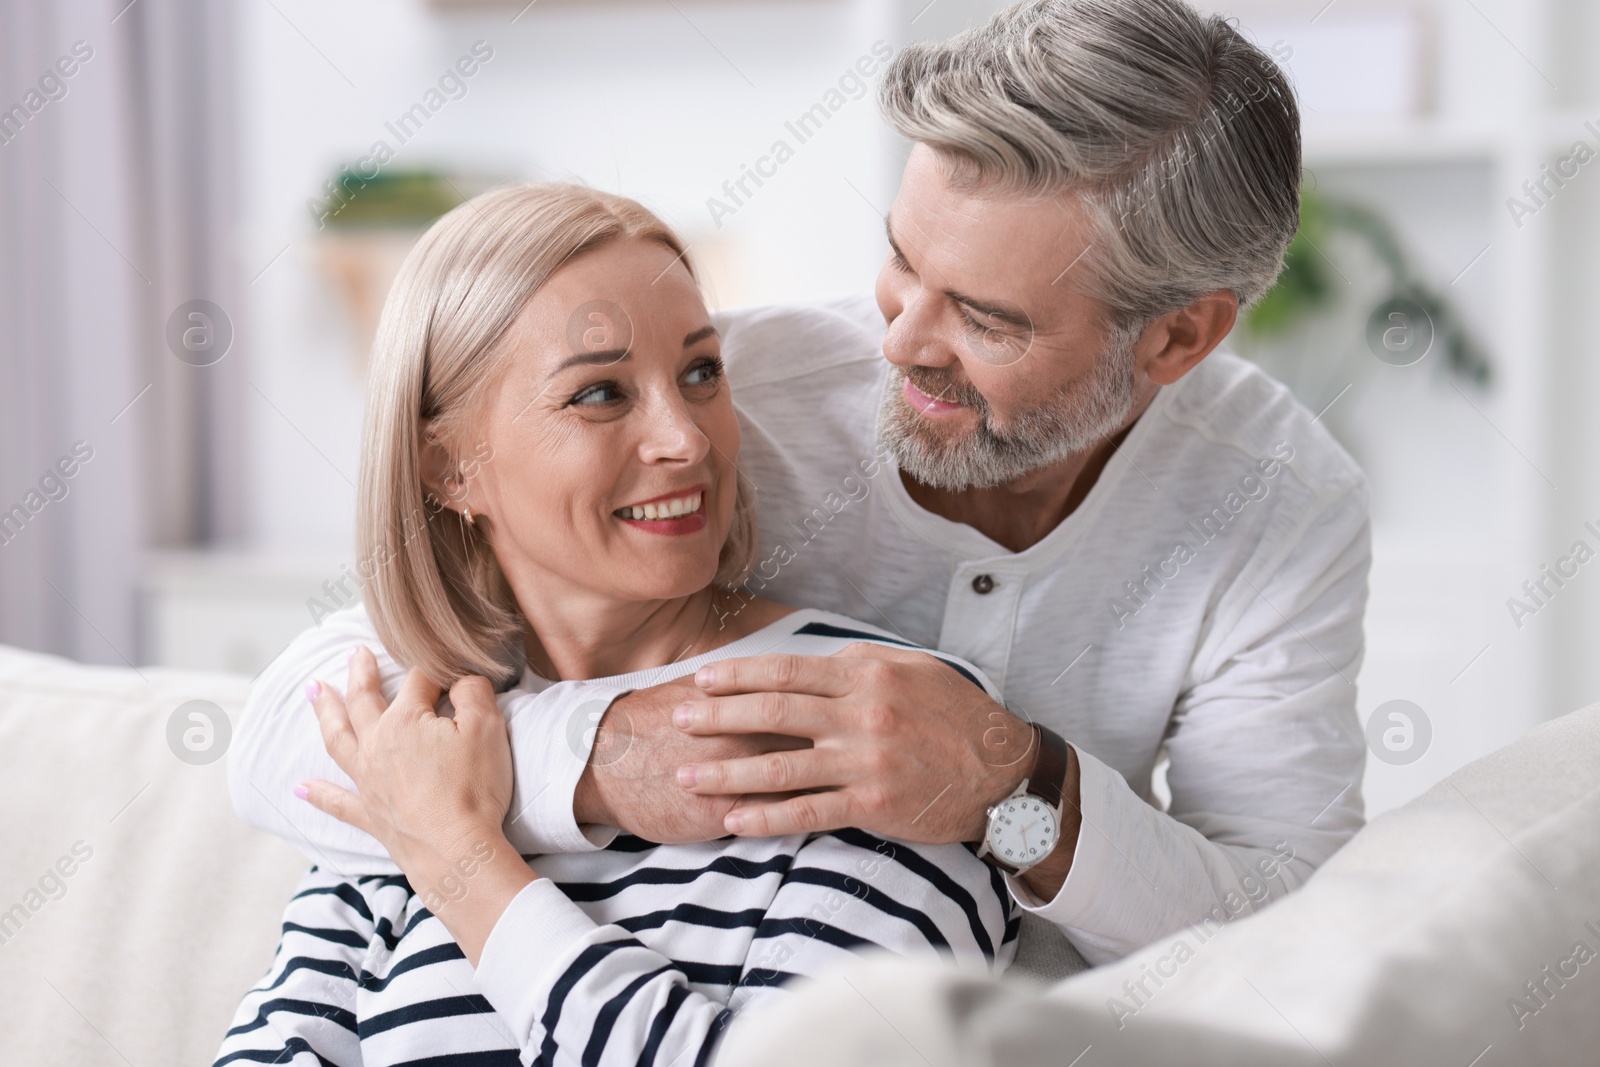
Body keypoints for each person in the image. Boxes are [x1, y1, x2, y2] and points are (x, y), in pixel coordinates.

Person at [235, 0, 1368, 972]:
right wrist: (605, 762)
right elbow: (297, 732)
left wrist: (1006, 793)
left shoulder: (1276, 503)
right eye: (903, 263)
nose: (903, 342)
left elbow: (1286, 930)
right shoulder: (732, 399)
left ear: (1177, 338)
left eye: (983, 318)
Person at [213, 184, 1014, 1067]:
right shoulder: (424, 739)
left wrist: (464, 862)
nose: (687, 439)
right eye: (600, 393)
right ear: (450, 469)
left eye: (701, 372)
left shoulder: (877, 722)